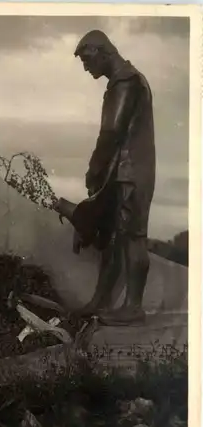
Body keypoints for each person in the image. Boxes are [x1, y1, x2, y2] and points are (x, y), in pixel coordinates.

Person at [71, 30, 156, 326]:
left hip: (131, 172)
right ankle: (101, 300)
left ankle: (133, 306)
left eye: (86, 59)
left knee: (132, 236)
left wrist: (94, 168)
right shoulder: (124, 81)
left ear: (100, 51)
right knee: (112, 236)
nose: (85, 67)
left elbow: (112, 132)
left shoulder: (127, 81)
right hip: (121, 172)